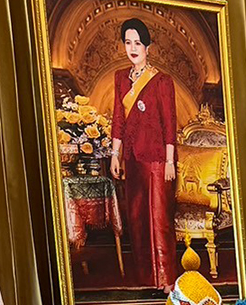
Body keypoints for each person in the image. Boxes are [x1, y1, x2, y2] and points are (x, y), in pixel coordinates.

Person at [110, 17, 177, 290]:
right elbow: (118, 118)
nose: (132, 48)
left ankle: (166, 280)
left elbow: (169, 122)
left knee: (159, 219)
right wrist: (115, 154)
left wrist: (170, 160)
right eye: (128, 42)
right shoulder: (120, 79)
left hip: (158, 159)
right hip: (133, 159)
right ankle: (145, 279)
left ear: (147, 46)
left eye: (138, 43)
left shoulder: (162, 81)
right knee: (137, 220)